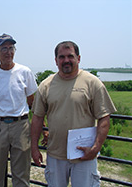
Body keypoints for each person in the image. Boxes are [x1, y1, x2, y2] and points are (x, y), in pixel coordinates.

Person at [31, 41, 117, 187]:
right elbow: (37, 119)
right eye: (61, 57)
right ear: (56, 60)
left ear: (78, 58)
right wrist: (34, 147)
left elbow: (104, 118)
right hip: (55, 155)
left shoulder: (93, 83)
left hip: (85, 155)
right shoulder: (45, 85)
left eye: (70, 56)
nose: (66, 60)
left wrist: (95, 148)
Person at [0, 33, 37, 187]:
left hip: (21, 126)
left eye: (11, 48)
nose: (8, 52)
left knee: (21, 175)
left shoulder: (25, 72)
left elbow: (33, 103)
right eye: (3, 48)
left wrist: (41, 127)